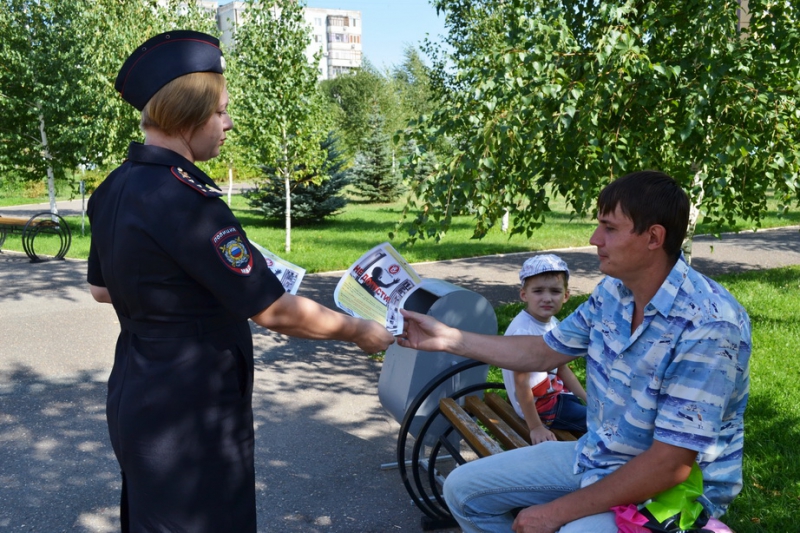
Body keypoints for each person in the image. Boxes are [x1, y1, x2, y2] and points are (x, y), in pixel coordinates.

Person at [86, 30, 394, 533]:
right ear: (187, 114)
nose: (228, 124)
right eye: (221, 111)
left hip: (137, 395)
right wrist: (359, 331)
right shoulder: (188, 200)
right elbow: (274, 310)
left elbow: (102, 288)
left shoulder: (113, 188)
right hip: (193, 411)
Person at [398, 170, 751, 533]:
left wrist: (554, 513)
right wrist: (446, 338)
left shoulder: (708, 324)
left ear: (653, 237)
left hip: (673, 493)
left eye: (609, 228)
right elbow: (543, 351)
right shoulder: (613, 292)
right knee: (462, 490)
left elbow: (669, 465)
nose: (595, 239)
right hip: (600, 457)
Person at [501, 254, 587, 445]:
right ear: (524, 294)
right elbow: (522, 384)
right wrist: (536, 427)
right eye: (538, 291)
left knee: (599, 412)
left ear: (566, 296)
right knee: (607, 424)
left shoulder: (552, 324)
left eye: (555, 291)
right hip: (543, 408)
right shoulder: (524, 333)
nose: (547, 298)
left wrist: (586, 397)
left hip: (556, 397)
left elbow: (562, 367)